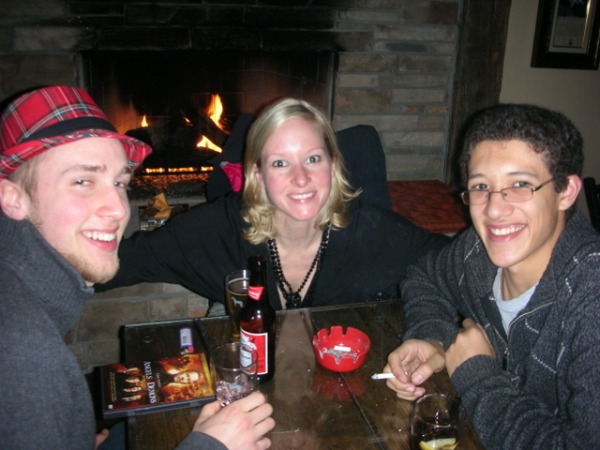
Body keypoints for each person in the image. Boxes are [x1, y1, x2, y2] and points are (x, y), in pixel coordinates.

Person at [0, 85, 275, 450]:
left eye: (119, 182)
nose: (118, 208)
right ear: (12, 197)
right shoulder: (22, 356)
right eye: (82, 181)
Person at [383, 104, 600, 448]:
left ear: (566, 192)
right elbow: (424, 277)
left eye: (520, 184)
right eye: (481, 186)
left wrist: (476, 373)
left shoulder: (591, 294)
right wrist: (433, 337)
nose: (494, 210)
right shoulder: (476, 252)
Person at [99, 98, 450, 310]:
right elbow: (119, 263)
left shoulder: (372, 230)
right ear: (258, 174)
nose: (301, 178)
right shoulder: (217, 230)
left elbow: (457, 264)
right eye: (280, 163)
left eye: (313, 159)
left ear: (333, 164)